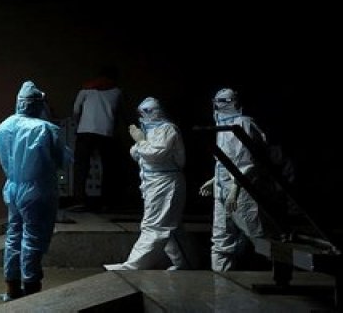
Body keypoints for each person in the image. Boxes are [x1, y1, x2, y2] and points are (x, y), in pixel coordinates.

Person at [0, 80, 72, 301]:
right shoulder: (45, 129)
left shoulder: (3, 127)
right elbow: (63, 160)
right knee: (33, 238)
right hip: (38, 189)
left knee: (13, 235)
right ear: (39, 104)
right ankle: (31, 288)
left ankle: (11, 287)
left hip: (12, 187)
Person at [104, 97, 191, 271]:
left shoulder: (168, 129)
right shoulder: (150, 129)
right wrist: (141, 142)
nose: (144, 115)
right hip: (153, 182)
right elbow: (136, 154)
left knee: (154, 225)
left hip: (165, 182)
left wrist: (141, 141)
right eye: (142, 112)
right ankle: (185, 263)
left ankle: (133, 266)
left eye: (148, 111)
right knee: (168, 225)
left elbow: (155, 153)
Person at [199, 88, 277, 272]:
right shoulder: (223, 125)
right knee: (221, 236)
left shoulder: (243, 123)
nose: (217, 105)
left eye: (221, 101)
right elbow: (226, 160)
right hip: (223, 187)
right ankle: (220, 277)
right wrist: (215, 180)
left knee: (256, 232)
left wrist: (235, 190)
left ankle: (281, 269)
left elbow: (246, 162)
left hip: (243, 189)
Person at [70, 66, 124, 211]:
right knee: (108, 167)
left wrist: (80, 123)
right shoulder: (117, 92)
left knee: (81, 166)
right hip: (106, 132)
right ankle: (106, 202)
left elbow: (76, 110)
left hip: (85, 131)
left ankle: (79, 200)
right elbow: (119, 113)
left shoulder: (85, 90)